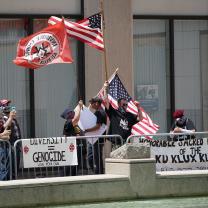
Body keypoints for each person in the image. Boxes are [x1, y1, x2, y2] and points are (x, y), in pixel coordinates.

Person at [61, 100, 86, 176]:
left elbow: (78, 133)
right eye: (72, 112)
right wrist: (79, 106)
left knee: (75, 167)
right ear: (69, 114)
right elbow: (76, 119)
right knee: (70, 168)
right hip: (72, 149)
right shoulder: (68, 122)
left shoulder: (74, 124)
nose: (74, 113)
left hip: (78, 148)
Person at [0, 99, 22, 180]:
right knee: (6, 168)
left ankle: (13, 181)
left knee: (15, 166)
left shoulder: (12, 118)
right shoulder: (4, 118)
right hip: (8, 145)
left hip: (15, 144)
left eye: (8, 104)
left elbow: (17, 132)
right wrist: (11, 117)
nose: (8, 106)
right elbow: (5, 128)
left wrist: (20, 144)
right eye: (6, 105)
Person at [85, 96, 107, 174]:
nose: (91, 105)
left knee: (95, 157)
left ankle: (99, 173)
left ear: (97, 103)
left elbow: (98, 126)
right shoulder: (101, 111)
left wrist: (87, 130)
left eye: (92, 103)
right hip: (97, 138)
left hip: (97, 139)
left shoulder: (99, 112)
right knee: (93, 157)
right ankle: (98, 172)